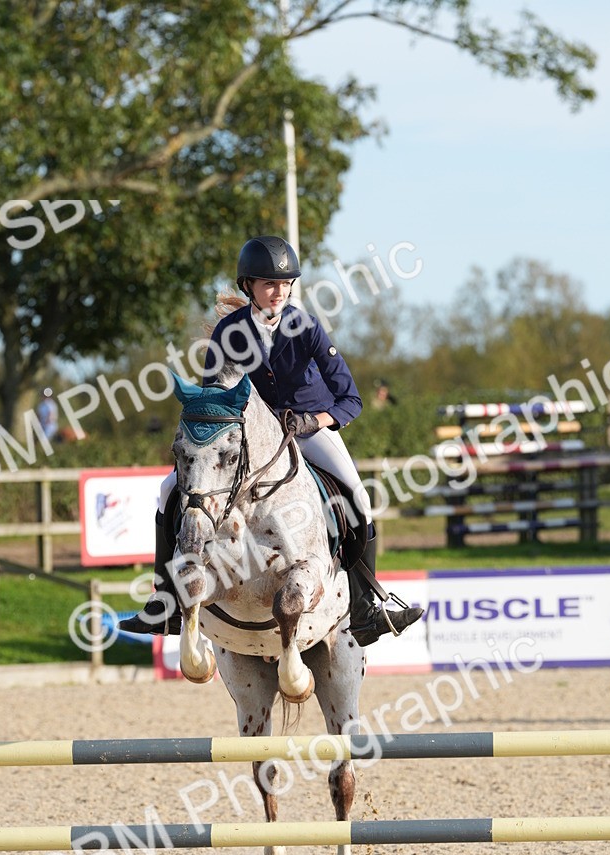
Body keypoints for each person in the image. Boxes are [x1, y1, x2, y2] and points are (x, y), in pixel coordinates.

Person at [121, 235, 423, 646]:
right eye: (269, 284)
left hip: (310, 432)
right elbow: (215, 400)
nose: (278, 291)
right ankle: (165, 600)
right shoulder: (229, 334)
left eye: (285, 284)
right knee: (167, 490)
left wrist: (312, 420)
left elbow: (350, 399)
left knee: (358, 496)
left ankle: (367, 605)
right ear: (248, 286)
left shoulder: (307, 326)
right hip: (249, 442)